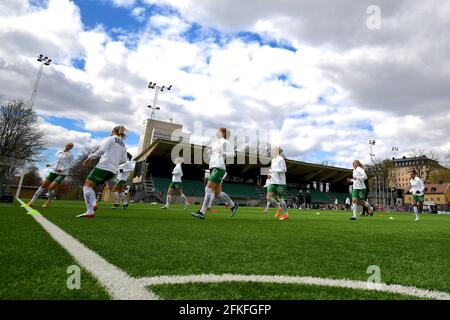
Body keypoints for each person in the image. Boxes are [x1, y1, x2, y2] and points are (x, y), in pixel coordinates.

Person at [77, 126, 128, 218]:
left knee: (86, 186)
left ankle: (90, 210)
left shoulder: (110, 139)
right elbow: (124, 160)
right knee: (91, 187)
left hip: (103, 166)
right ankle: (93, 203)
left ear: (113, 131)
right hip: (113, 171)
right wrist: (115, 162)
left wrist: (90, 158)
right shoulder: (124, 145)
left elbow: (102, 150)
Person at [191, 128, 239, 219]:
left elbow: (233, 154)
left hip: (219, 167)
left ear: (223, 133)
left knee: (208, 188)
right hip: (213, 167)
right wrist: (209, 154)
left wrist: (222, 152)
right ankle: (233, 205)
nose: (217, 132)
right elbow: (215, 156)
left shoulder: (225, 142)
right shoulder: (215, 143)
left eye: (219, 131)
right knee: (217, 192)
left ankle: (202, 212)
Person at [28, 142, 75, 208]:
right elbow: (57, 161)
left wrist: (62, 169)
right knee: (43, 185)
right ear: (65, 145)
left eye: (70, 146)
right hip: (53, 171)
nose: (68, 147)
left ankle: (48, 201)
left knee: (51, 188)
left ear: (71, 148)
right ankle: (31, 202)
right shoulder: (59, 152)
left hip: (62, 173)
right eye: (68, 145)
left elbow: (71, 165)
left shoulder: (71, 155)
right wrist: (50, 164)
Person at [266, 147, 289, 221]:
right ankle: (279, 208)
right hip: (273, 182)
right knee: (268, 197)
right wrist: (270, 173)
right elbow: (272, 169)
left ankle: (286, 214)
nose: (272, 152)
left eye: (273, 151)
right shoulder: (273, 160)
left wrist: (274, 170)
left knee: (280, 198)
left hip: (280, 183)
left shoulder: (281, 159)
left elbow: (284, 169)